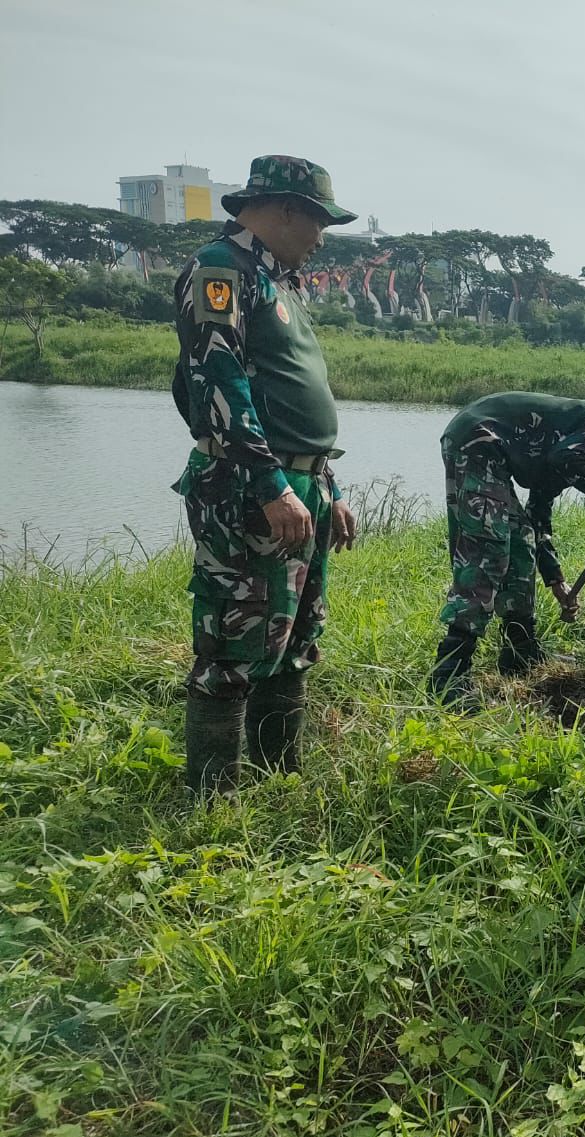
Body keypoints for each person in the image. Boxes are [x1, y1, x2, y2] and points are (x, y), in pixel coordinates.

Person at [172, 154, 360, 795]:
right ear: (285, 209)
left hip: (301, 483)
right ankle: (213, 799)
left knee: (294, 635)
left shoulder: (278, 280)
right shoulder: (222, 269)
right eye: (317, 222)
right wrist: (272, 483)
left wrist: (323, 486)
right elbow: (219, 382)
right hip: (248, 485)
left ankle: (279, 782)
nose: (321, 237)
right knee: (233, 640)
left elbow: (286, 392)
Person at [429, 392, 585, 705]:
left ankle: (519, 652)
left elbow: (538, 515)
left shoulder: (565, 450)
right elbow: (568, 457)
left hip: (488, 451)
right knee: (488, 549)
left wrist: (555, 579)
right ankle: (449, 672)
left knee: (521, 541)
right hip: (478, 442)